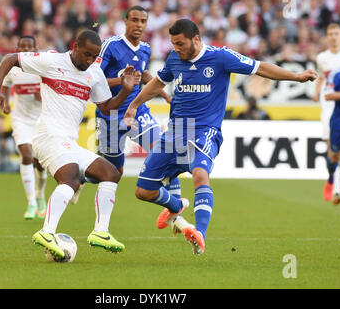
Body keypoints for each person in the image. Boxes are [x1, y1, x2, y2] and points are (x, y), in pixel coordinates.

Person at [124, 19, 317, 255]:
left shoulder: (221, 57)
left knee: (199, 174)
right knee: (143, 191)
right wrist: (134, 105)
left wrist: (296, 77)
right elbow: (157, 83)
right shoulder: (174, 59)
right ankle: (177, 205)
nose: (177, 48)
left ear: (196, 39)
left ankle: (200, 235)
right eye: (174, 44)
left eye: (180, 43)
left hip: (206, 130)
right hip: (175, 132)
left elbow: (261, 67)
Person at [0, 30, 136, 260]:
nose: (89, 61)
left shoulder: (94, 73)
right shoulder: (52, 60)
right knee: (70, 178)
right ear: (75, 46)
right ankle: (47, 232)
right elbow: (10, 59)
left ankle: (101, 232)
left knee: (110, 173)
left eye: (94, 56)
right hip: (48, 136)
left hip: (68, 142)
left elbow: (106, 107)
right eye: (86, 54)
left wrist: (126, 91)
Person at [78, 6, 181, 205]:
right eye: (134, 20)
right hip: (110, 114)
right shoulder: (110, 45)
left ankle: (176, 207)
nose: (138, 25)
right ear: (125, 21)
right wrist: (123, 81)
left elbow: (144, 76)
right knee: (114, 172)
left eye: (143, 21)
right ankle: (83, 177)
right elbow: (92, 78)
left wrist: (166, 97)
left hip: (137, 110)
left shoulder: (145, 48)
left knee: (164, 149)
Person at [1, 36, 48, 220]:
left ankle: (40, 195)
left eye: (30, 46)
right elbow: (5, 85)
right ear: (18, 48)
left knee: (41, 164)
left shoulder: (42, 68)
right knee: (26, 155)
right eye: (23, 46)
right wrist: (5, 102)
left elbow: (53, 89)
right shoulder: (13, 68)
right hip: (21, 119)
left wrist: (42, 95)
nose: (26, 49)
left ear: (36, 49)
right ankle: (31, 203)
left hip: (41, 120)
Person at [312, 23, 340, 202]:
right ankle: (333, 179)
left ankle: (337, 174)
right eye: (330, 33)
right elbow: (322, 77)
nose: (333, 37)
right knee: (331, 146)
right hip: (328, 104)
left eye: (336, 33)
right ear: (327, 37)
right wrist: (317, 92)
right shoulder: (322, 57)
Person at [322, 64, 340, 205]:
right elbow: (327, 95)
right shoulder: (337, 73)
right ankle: (332, 176)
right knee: (334, 156)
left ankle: (337, 189)